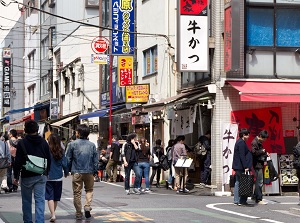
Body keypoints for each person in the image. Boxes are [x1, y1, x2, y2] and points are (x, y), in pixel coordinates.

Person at [13, 120, 51, 223]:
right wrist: (47, 172)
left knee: (26, 201)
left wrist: (15, 176)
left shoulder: (22, 143)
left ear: (25, 130)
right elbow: (49, 158)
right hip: (41, 175)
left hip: (27, 175)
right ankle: (39, 221)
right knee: (40, 201)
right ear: (37, 129)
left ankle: (28, 221)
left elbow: (18, 161)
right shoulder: (43, 142)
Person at [65, 124, 98, 220]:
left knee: (77, 193)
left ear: (78, 133)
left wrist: (67, 170)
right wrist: (95, 171)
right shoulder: (92, 145)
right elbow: (95, 160)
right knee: (89, 190)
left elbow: (68, 159)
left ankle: (79, 213)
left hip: (76, 172)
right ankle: (87, 206)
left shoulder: (72, 144)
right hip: (89, 171)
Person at [46, 133, 69, 222]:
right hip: (58, 177)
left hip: (48, 176)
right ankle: (53, 214)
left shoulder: (47, 151)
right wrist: (66, 172)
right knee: (56, 197)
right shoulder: (61, 151)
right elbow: (64, 164)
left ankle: (53, 214)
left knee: (50, 197)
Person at [232, 128, 252, 206]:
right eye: (247, 135)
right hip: (241, 167)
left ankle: (237, 200)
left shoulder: (240, 142)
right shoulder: (241, 143)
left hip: (239, 166)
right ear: (244, 135)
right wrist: (245, 166)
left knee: (238, 182)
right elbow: (242, 156)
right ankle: (240, 200)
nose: (248, 137)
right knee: (241, 183)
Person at [251, 130, 269, 205]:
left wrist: (265, 153)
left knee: (259, 181)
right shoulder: (254, 142)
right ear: (261, 136)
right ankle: (258, 199)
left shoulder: (258, 142)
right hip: (257, 164)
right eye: (264, 139)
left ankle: (255, 196)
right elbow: (254, 153)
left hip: (259, 163)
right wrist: (262, 151)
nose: (264, 140)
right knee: (260, 181)